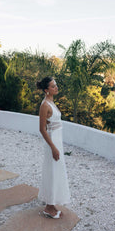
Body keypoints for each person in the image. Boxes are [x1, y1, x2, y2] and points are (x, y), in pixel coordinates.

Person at [37, 76, 70, 219]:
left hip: (57, 141)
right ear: (46, 90)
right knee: (51, 171)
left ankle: (51, 203)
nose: (56, 87)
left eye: (55, 85)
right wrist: (53, 148)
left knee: (56, 171)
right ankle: (48, 207)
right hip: (52, 143)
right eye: (52, 86)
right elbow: (42, 129)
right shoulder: (45, 105)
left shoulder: (51, 102)